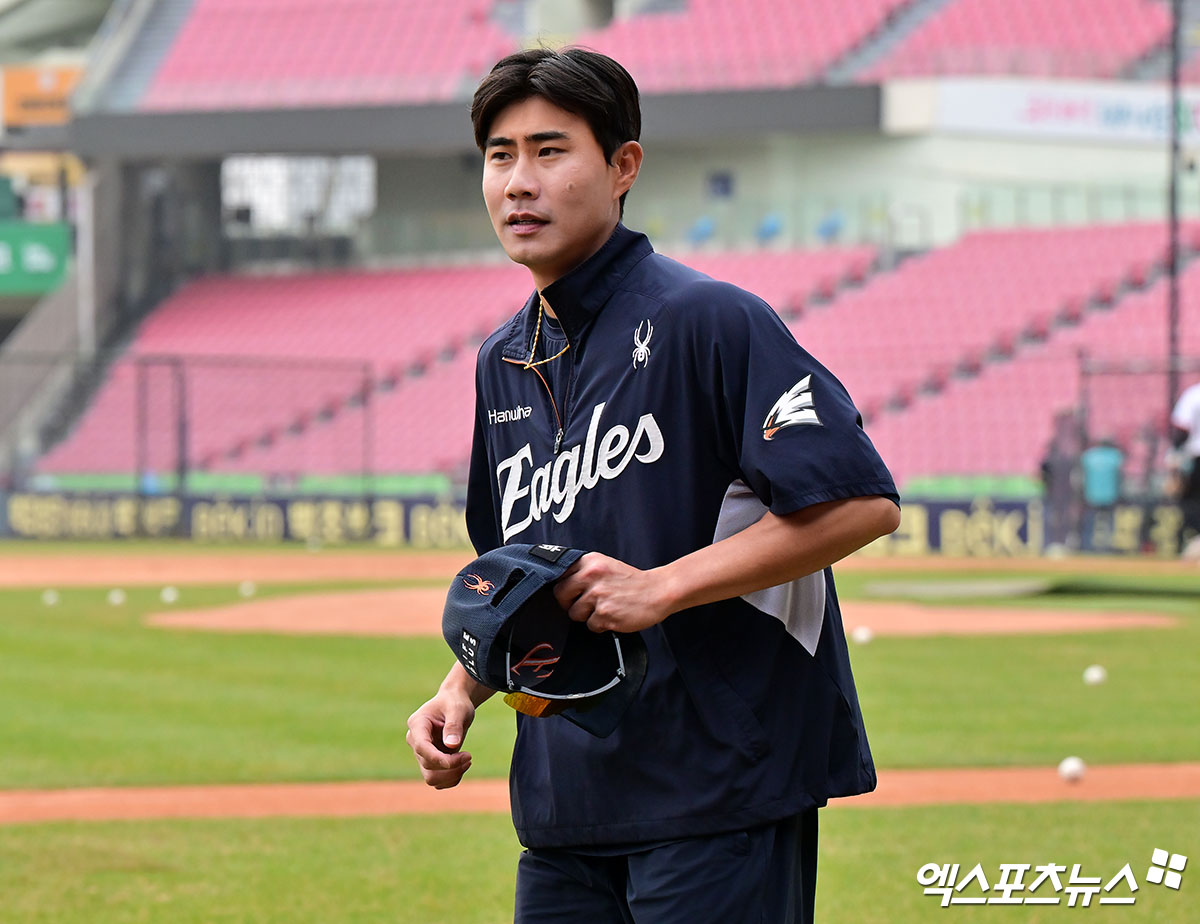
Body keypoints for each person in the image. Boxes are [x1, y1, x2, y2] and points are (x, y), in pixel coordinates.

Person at [406, 47, 900, 924]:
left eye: (550, 151)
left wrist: (662, 587)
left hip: (718, 790)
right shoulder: (502, 361)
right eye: (500, 155)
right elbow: (528, 579)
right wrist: (460, 687)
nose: (519, 182)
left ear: (623, 166)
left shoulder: (710, 320)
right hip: (565, 806)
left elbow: (860, 502)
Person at [1078, 435, 1124, 552]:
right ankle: (1109, 545)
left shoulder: (1089, 456)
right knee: (1109, 522)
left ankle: (1087, 545)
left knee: (1090, 522)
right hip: (1110, 494)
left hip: (1091, 494)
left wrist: (1081, 493)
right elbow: (1120, 476)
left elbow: (1082, 476)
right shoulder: (1115, 456)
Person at [1169, 380, 1200, 556]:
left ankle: (1195, 541)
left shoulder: (1194, 395)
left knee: (1193, 504)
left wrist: (1174, 454)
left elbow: (1182, 430)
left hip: (1197, 458)